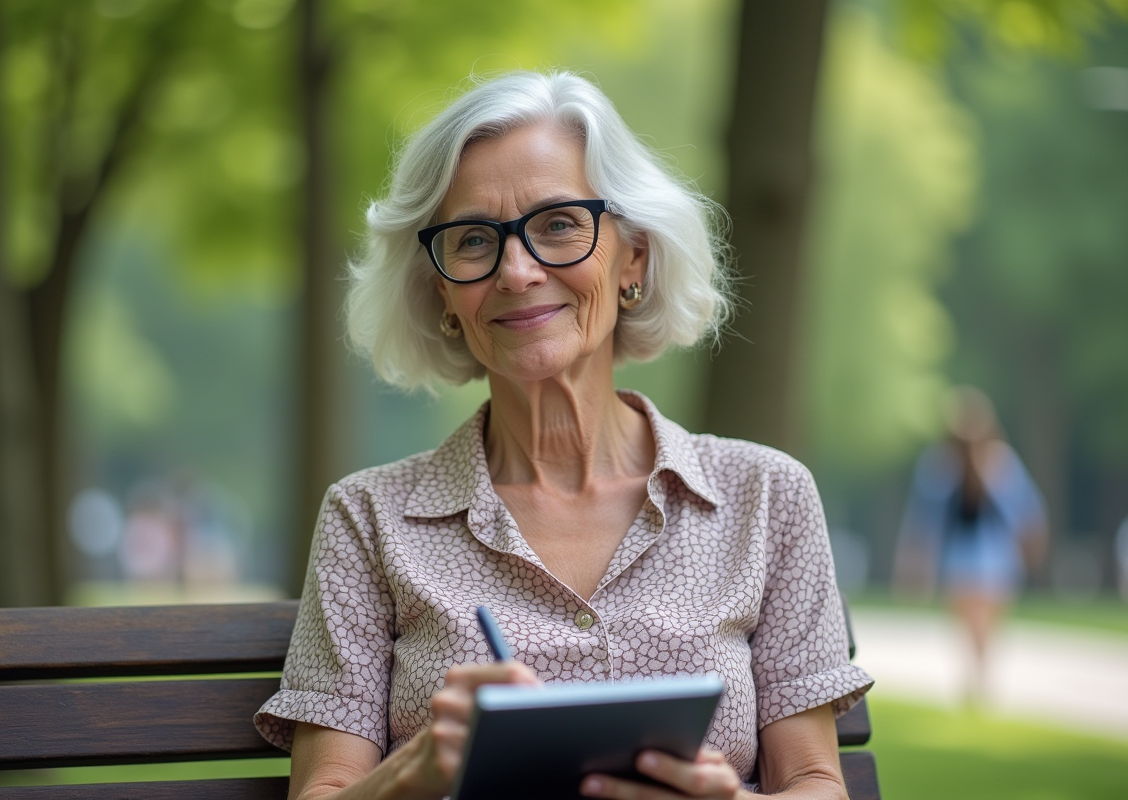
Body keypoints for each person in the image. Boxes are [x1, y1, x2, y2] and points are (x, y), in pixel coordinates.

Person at [255, 70, 872, 800]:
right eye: (473, 240)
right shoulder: (368, 520)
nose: (517, 271)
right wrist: (414, 772)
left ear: (633, 257)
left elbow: (815, 782)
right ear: (442, 290)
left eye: (557, 225)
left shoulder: (766, 497)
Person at [894, 386, 1048, 703]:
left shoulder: (993, 462)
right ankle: (979, 680)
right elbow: (927, 518)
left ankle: (979, 681)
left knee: (980, 623)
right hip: (971, 555)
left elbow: (1022, 510)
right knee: (974, 624)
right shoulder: (945, 464)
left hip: (987, 555)